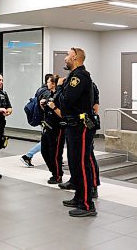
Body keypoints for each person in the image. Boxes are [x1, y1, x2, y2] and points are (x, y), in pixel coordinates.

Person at [54, 47, 97, 217]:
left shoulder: (79, 77)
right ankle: (79, 197)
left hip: (81, 126)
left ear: (76, 58)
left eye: (67, 55)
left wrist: (59, 89)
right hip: (73, 125)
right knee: (74, 164)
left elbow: (66, 102)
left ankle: (87, 205)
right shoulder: (74, 76)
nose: (65, 58)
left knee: (81, 164)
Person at [58, 82, 101, 199]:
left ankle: (93, 186)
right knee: (74, 157)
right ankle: (75, 181)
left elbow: (95, 108)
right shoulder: (70, 86)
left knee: (88, 156)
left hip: (85, 125)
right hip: (73, 125)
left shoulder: (90, 85)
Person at [21, 74, 53, 167]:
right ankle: (28, 155)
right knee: (47, 139)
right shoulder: (46, 92)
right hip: (46, 119)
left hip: (42, 118)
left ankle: (29, 156)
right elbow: (43, 104)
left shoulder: (41, 89)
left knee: (48, 139)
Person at [38, 75, 65, 184]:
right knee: (44, 151)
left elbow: (63, 114)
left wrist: (53, 107)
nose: (47, 83)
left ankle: (58, 175)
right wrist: (43, 105)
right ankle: (53, 171)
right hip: (47, 127)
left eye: (49, 82)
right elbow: (46, 111)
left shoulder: (61, 97)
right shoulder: (49, 94)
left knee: (55, 153)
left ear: (54, 84)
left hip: (57, 128)